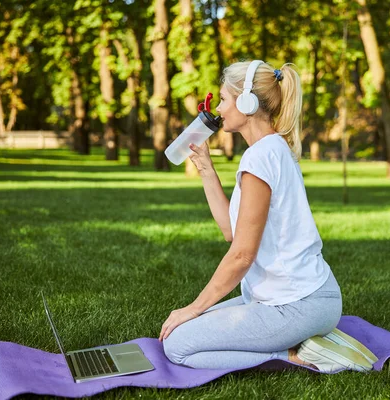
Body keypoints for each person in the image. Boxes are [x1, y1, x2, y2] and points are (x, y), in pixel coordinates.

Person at [160, 60, 373, 372]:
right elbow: (232, 232)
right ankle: (307, 341)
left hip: (297, 306)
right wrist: (205, 167)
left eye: (222, 99)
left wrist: (192, 309)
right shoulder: (271, 149)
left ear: (246, 102)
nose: (218, 109)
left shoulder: (261, 157)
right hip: (302, 299)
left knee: (178, 346)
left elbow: (241, 255)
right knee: (181, 334)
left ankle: (301, 356)